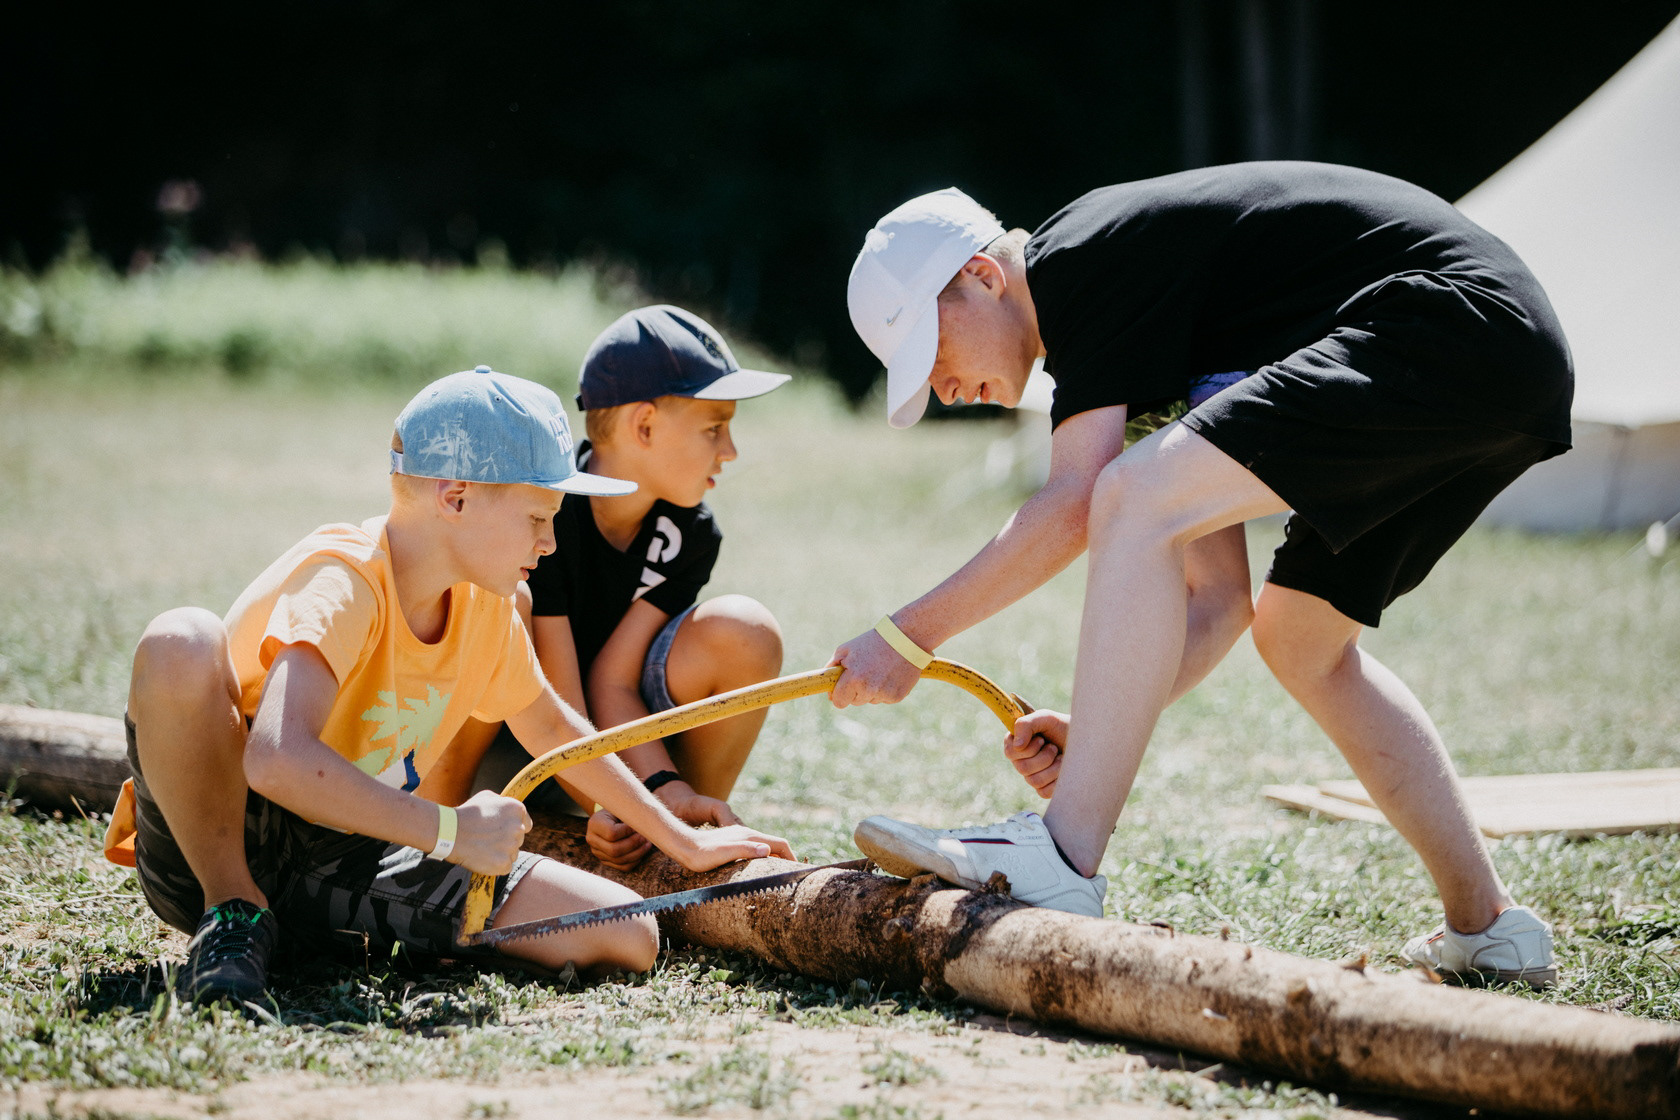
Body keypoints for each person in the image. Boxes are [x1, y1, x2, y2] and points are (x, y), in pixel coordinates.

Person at [833, 164, 1570, 988]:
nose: (942, 389)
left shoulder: (1079, 258)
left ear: (982, 275)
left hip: (1452, 323)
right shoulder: (1135, 338)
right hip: (1506, 363)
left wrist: (908, 637)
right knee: (1301, 640)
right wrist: (1098, 727)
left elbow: (1078, 502)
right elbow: (1217, 603)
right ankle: (1489, 924)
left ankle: (1064, 854)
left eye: (932, 352)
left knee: (1130, 492)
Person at [104, 364, 792, 1006]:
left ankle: (321, 936)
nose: (550, 542)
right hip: (219, 838)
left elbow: (553, 727)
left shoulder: (487, 606)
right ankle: (233, 914)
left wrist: (683, 841)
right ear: (456, 497)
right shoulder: (345, 581)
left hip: (349, 850)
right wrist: (449, 830)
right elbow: (276, 759)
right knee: (181, 640)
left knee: (626, 934)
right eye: (537, 518)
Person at [445, 306, 790, 873]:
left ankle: (677, 836)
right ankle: (432, 837)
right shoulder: (546, 512)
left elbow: (613, 681)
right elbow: (555, 700)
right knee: (494, 608)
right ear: (644, 426)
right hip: (510, 745)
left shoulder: (690, 532)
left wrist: (664, 791)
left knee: (744, 630)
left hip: (614, 748)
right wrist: (601, 803)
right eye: (713, 428)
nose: (729, 450)